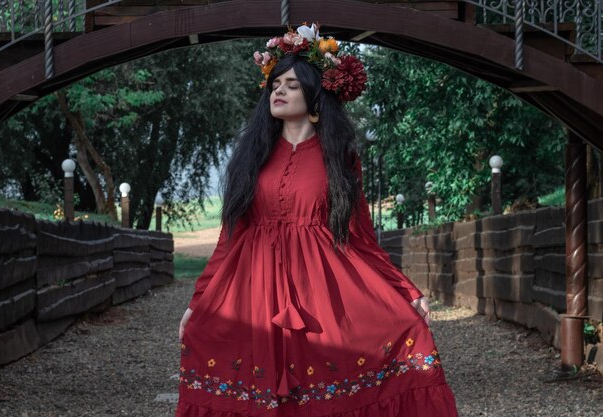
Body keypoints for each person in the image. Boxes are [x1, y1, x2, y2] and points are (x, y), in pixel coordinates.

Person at [175, 23, 459, 417]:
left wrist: (405, 289)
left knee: (329, 378)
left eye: (291, 85)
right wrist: (199, 301)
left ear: (314, 97)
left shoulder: (338, 158)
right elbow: (229, 239)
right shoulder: (251, 157)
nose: (279, 90)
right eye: (276, 84)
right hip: (253, 286)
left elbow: (361, 236)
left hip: (321, 285)